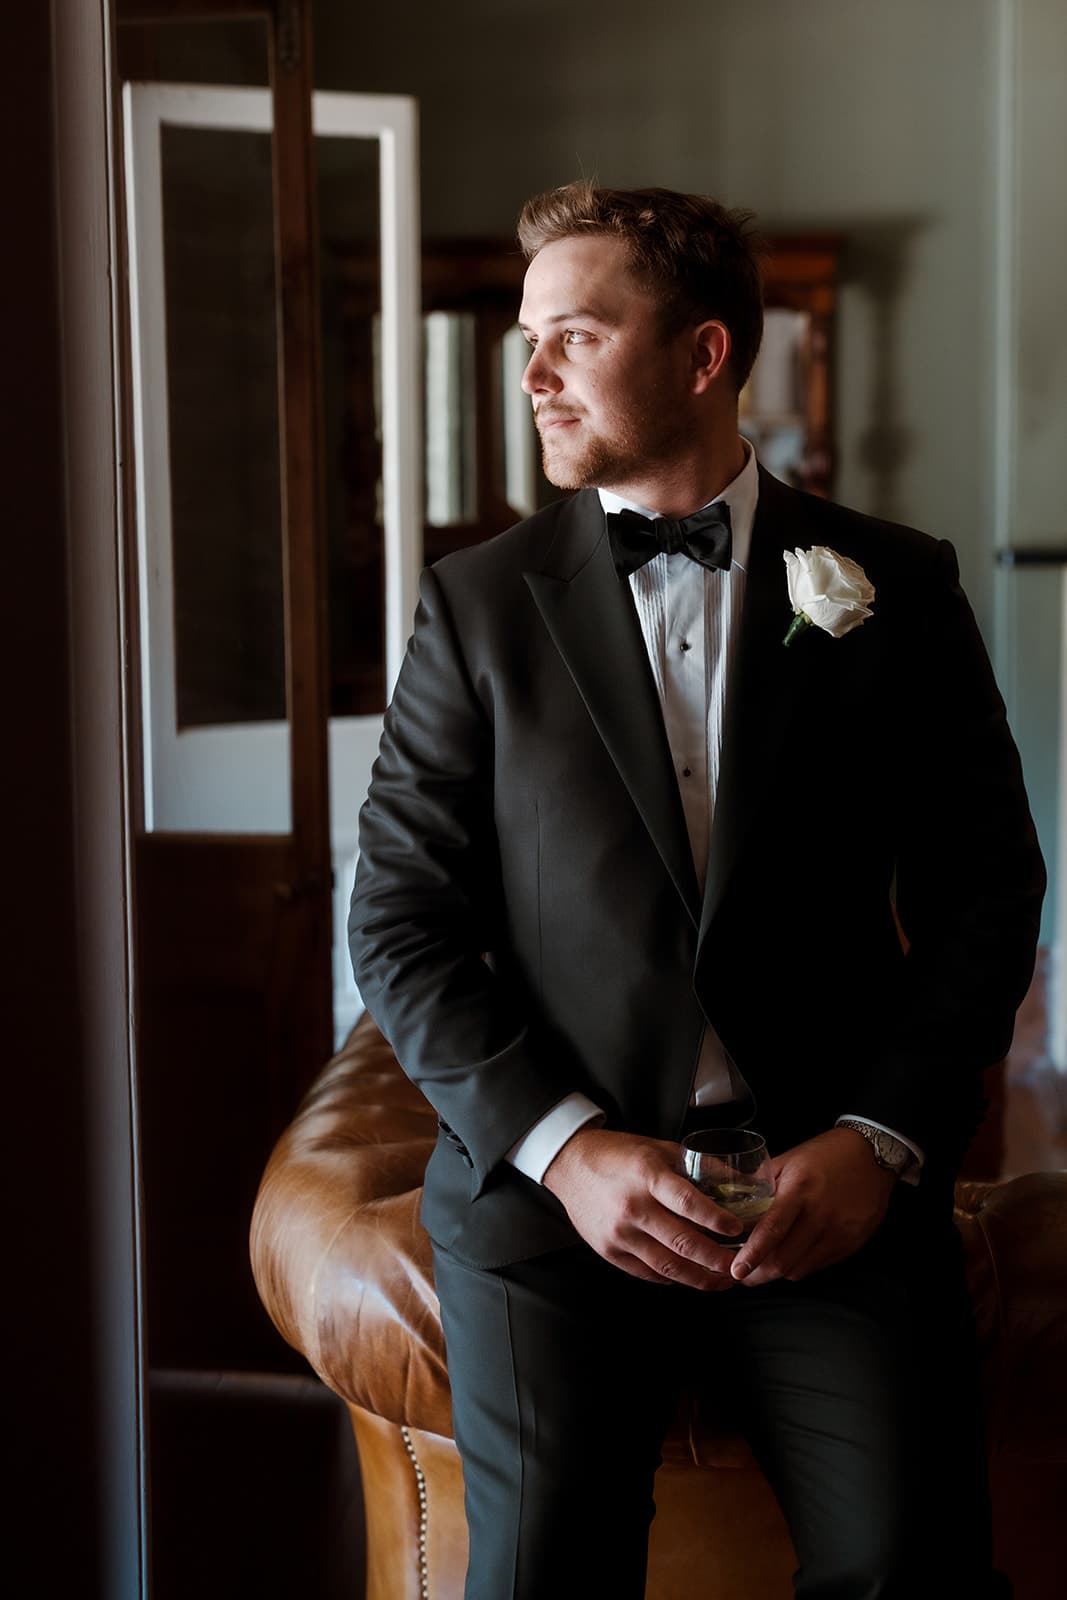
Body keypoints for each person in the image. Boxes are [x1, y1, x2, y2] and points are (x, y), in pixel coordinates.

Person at [348, 182, 1046, 1598]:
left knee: (914, 1564)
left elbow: (988, 889)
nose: (533, 373)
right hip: (556, 1209)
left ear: (705, 355)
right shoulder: (475, 607)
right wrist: (563, 1147)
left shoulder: (892, 588)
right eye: (527, 342)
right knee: (543, 1571)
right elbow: (398, 923)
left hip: (822, 1197)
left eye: (575, 336)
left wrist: (882, 1140)